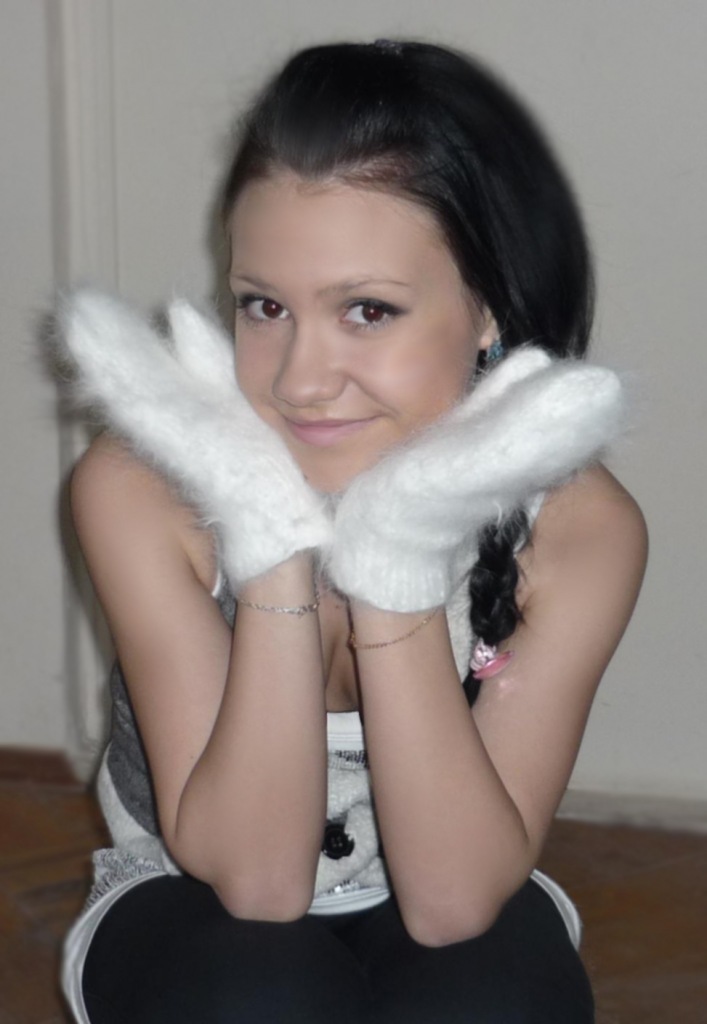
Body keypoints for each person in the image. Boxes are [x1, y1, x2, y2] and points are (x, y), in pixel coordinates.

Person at [57, 39, 647, 1024]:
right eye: (264, 306)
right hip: (187, 895)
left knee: (492, 1001)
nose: (298, 380)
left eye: (367, 311)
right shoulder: (141, 486)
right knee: (257, 994)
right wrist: (270, 541)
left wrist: (395, 562)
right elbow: (253, 881)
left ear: (487, 310)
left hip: (451, 876)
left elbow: (453, 901)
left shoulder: (578, 527)